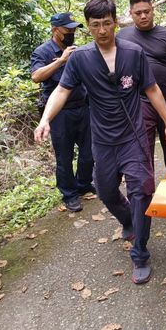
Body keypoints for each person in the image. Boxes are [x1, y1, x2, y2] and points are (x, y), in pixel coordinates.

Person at [34, 0, 166, 284]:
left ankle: (140, 252)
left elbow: (152, 89)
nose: (102, 30)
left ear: (116, 22)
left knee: (141, 191)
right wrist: (45, 119)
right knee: (106, 191)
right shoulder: (80, 58)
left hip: (134, 136)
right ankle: (128, 220)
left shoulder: (134, 53)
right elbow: (62, 91)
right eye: (95, 25)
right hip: (103, 139)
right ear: (88, 27)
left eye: (107, 23)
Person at [117, 0, 166, 171]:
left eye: (147, 11)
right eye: (138, 13)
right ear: (130, 13)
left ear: (153, 9)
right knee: (143, 145)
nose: (143, 16)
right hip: (141, 100)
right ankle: (146, 190)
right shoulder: (122, 36)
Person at [30, 12, 95, 213]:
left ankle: (83, 184)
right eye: (68, 30)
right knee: (64, 156)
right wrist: (60, 60)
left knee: (88, 152)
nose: (71, 33)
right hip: (59, 113)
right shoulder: (43, 51)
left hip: (83, 108)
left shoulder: (77, 50)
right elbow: (36, 76)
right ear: (55, 30)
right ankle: (69, 194)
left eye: (74, 29)